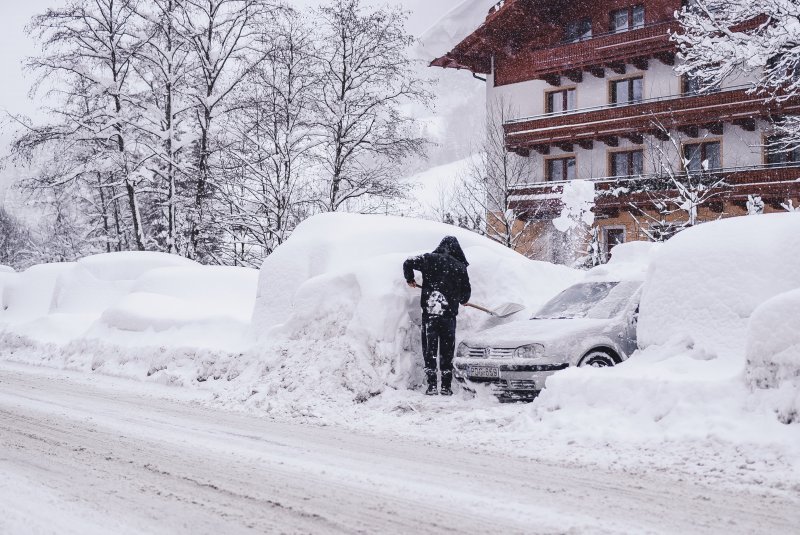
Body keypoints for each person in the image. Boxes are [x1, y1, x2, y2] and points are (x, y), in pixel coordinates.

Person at [403, 236, 471, 396]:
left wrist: (410, 279)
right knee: (447, 350)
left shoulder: (429, 259)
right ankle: (446, 387)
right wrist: (462, 299)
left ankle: (432, 385)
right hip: (448, 316)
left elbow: (408, 262)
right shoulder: (460, 266)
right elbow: (466, 294)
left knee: (430, 349)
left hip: (431, 314)